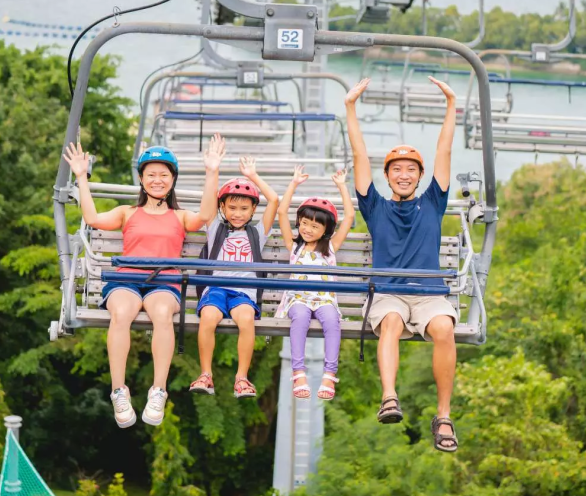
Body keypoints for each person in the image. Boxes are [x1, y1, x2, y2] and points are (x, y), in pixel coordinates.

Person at [63, 135, 224, 428]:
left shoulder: (180, 216)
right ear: (141, 179)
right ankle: (118, 390)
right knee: (121, 313)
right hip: (127, 281)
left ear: (172, 180)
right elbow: (92, 217)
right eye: (151, 175)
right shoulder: (128, 213)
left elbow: (206, 215)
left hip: (163, 283)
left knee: (162, 314)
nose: (157, 180)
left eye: (164, 175)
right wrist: (80, 177)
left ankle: (158, 390)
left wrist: (212, 171)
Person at [345, 76, 460, 453]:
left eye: (411, 170)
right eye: (397, 169)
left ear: (421, 176)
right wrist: (350, 108)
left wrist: (450, 106)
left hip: (428, 295)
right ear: (388, 176)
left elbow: (444, 151)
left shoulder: (433, 202)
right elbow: (359, 156)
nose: (404, 174)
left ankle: (443, 415)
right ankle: (389, 397)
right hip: (389, 293)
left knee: (444, 327)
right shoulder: (375, 206)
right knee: (391, 322)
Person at [189, 157, 278, 398]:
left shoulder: (257, 233)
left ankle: (242, 377)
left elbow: (275, 200)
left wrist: (252, 175)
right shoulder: (215, 228)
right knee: (208, 317)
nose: (237, 214)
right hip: (216, 289)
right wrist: (213, 170)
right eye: (232, 208)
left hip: (244, 292)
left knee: (246, 320)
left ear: (252, 211)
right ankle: (206, 374)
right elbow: (208, 204)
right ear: (223, 208)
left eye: (244, 209)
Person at [275, 166, 355, 401]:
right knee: (299, 318)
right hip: (298, 299)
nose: (307, 229)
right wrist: (294, 183)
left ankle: (329, 374)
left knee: (331, 321)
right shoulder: (295, 246)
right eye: (304, 223)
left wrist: (342, 186)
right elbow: (281, 213)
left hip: (324, 299)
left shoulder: (330, 248)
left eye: (315, 226)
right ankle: (298, 372)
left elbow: (349, 217)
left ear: (326, 230)